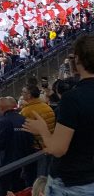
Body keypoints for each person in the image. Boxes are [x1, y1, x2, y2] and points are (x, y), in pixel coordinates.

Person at [24, 37, 94, 195]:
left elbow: (58, 149)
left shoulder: (72, 98)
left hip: (73, 183)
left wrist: (42, 129)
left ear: (77, 60)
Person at [0, 96, 34, 196]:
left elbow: (0, 144)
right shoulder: (23, 119)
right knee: (19, 189)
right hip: (23, 161)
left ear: (0, 108)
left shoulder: (3, 121)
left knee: (4, 190)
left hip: (6, 163)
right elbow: (30, 139)